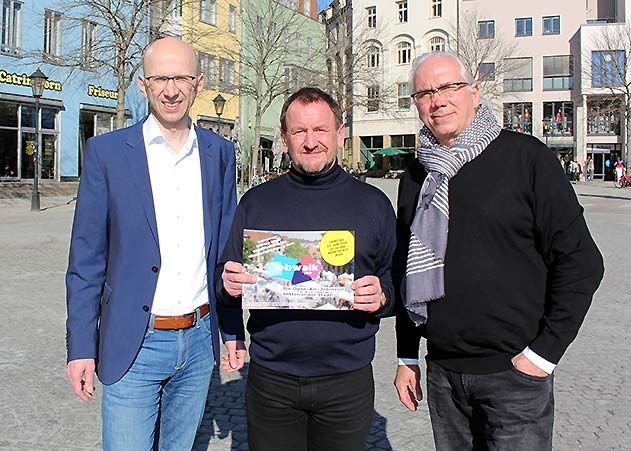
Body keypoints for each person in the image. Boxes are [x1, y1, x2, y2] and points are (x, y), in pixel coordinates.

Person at [392, 52, 604, 451]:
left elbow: (582, 263)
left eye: (449, 87)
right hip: (444, 375)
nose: (438, 100)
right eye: (425, 92)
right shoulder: (417, 176)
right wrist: (407, 355)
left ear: (473, 92)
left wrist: (542, 356)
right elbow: (408, 269)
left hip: (514, 375)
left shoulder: (527, 158)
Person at [65, 37, 245, 451]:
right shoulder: (107, 153)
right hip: (134, 339)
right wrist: (80, 347)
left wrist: (232, 329)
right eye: (160, 78)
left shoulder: (219, 153)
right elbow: (86, 261)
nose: (170, 89)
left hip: (200, 341)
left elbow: (224, 255)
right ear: (143, 85)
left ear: (198, 84)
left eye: (181, 77)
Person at [218, 87, 396, 451]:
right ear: (284, 138)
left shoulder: (373, 204)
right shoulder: (256, 203)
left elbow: (396, 280)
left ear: (339, 133)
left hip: (346, 381)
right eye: (299, 132)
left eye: (320, 130)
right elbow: (227, 273)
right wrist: (229, 289)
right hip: (272, 381)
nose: (311, 142)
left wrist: (382, 295)